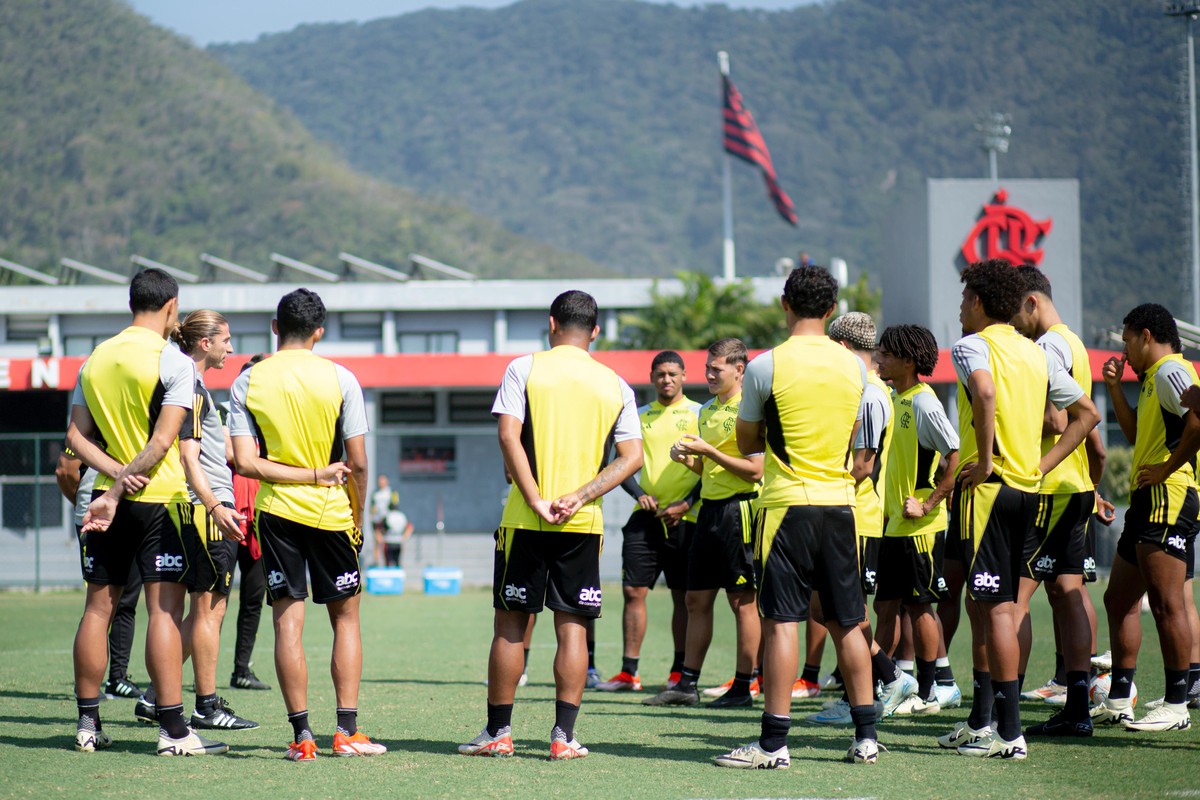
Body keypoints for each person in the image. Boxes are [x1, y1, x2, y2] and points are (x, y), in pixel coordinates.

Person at [459, 290, 642, 760]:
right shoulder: (615, 383)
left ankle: (498, 733)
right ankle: (563, 737)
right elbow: (631, 458)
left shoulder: (525, 367)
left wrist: (536, 499)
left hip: (524, 519)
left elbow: (507, 435)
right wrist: (579, 496)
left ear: (552, 323)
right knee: (573, 630)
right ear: (595, 331)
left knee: (511, 628)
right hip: (582, 524)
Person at [937, 259, 1099, 760]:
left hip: (988, 494)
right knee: (991, 607)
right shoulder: (1034, 352)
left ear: (980, 303)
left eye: (964, 300)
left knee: (997, 610)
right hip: (1028, 493)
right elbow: (1086, 415)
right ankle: (984, 722)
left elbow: (984, 390)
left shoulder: (972, 346)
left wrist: (985, 461)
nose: (960, 308)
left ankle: (1007, 733)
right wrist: (1040, 464)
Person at [64, 267, 228, 756]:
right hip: (159, 501)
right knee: (164, 611)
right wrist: (123, 484)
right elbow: (163, 443)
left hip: (105, 501)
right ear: (172, 306)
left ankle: (88, 725)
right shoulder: (172, 361)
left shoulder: (94, 358)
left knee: (98, 609)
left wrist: (112, 477)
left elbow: (74, 439)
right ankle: (174, 732)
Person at [714, 265, 872, 768]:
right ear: (831, 310)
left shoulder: (765, 365)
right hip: (841, 506)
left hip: (786, 507)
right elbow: (852, 436)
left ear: (785, 304)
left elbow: (746, 442)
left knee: (782, 621)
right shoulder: (856, 367)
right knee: (849, 621)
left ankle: (772, 745)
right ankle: (866, 738)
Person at [229, 288, 382, 762]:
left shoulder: (248, 381)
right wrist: (355, 514)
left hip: (275, 515)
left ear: (275, 328)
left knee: (287, 625)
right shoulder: (341, 378)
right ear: (319, 332)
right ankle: (347, 732)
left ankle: (302, 738)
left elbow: (245, 462)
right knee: (346, 620)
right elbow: (356, 462)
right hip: (332, 514)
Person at [1009, 266, 1108, 737]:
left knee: (1013, 597)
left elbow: (1055, 419)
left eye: (1015, 314)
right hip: (1076, 488)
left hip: (1047, 489)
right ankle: (1078, 707)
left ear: (1032, 303)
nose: (1013, 326)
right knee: (1069, 594)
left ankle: (998, 711)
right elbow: (1091, 427)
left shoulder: (1046, 346)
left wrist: (1035, 462)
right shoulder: (1075, 342)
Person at [1093, 303, 1200, 732]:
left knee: (1166, 603)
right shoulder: (1155, 378)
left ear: (1146, 336)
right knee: (1118, 599)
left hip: (1168, 496)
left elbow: (1198, 423)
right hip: (1146, 500)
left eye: (1126, 341)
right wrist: (1116, 389)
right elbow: (1137, 434)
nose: (1125, 350)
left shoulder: (1175, 371)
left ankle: (1177, 704)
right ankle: (1120, 698)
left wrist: (1167, 469)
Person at [642, 338, 763, 709]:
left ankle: (745, 685)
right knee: (696, 600)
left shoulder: (750, 407)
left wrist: (708, 451)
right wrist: (687, 459)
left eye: (717, 368)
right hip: (708, 511)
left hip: (740, 511)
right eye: (708, 367)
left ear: (739, 370)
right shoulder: (707, 409)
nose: (709, 374)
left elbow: (756, 471)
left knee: (743, 602)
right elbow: (707, 468)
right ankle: (686, 684)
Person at [168, 310, 258, 731]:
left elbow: (207, 452)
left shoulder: (192, 381)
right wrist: (215, 505)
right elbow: (188, 455)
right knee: (208, 611)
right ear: (205, 343)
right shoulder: (190, 382)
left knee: (200, 611)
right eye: (226, 339)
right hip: (207, 510)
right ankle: (206, 706)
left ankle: (157, 695)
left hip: (201, 506)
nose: (231, 347)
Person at [596, 350, 700, 693]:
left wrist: (687, 503)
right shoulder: (639, 416)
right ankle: (629, 673)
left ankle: (678, 671)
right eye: (660, 374)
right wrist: (638, 493)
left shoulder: (700, 414)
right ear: (652, 377)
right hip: (646, 518)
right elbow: (620, 465)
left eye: (672, 373)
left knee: (684, 597)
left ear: (684, 375)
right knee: (632, 591)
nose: (666, 380)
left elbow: (714, 469)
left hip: (688, 518)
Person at [874, 324, 961, 715]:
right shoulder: (895, 398)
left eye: (888, 354)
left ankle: (930, 691)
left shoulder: (925, 403)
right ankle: (887, 683)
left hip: (920, 528)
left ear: (908, 361)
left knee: (922, 606)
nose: (880, 359)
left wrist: (927, 505)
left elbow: (956, 458)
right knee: (886, 607)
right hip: (894, 525)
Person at [55, 448, 143, 701]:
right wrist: (83, 501)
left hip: (135, 508)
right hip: (97, 512)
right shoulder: (91, 414)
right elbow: (65, 469)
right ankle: (86, 685)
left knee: (126, 601)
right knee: (99, 604)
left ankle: (117, 678)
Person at [228, 354, 271, 692]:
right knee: (212, 602)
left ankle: (242, 670)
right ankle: (196, 679)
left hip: (260, 522)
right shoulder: (227, 415)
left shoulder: (273, 422)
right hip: (225, 517)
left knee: (254, 599)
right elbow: (229, 455)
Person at [371, 475, 397, 566]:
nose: (381, 482)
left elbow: (395, 504)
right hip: (378, 521)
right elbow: (372, 508)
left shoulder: (391, 492)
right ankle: (377, 562)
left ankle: (388, 562)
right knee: (377, 541)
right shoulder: (375, 494)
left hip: (388, 520)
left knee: (387, 542)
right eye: (380, 481)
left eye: (383, 480)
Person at [382, 503, 413, 567]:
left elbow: (381, 528)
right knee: (397, 562)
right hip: (399, 541)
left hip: (388, 541)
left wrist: (381, 538)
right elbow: (410, 527)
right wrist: (405, 537)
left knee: (388, 563)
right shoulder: (402, 516)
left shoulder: (387, 516)